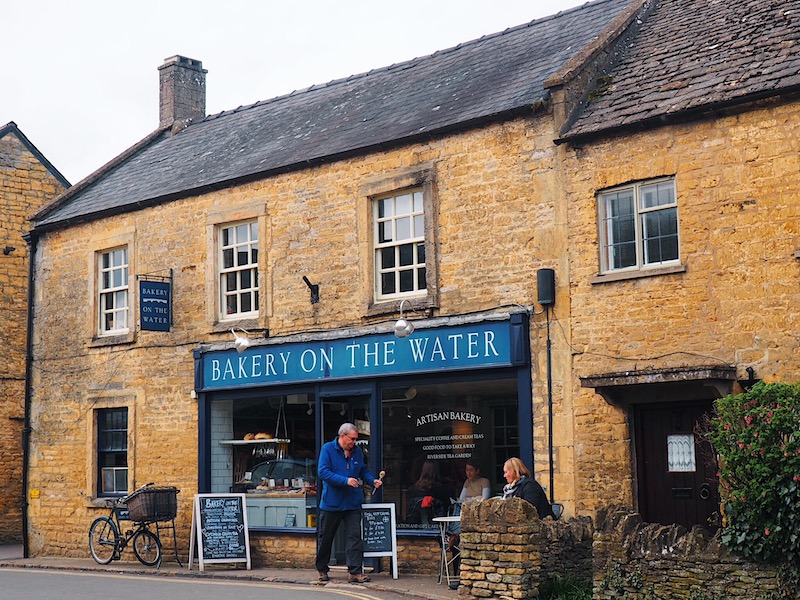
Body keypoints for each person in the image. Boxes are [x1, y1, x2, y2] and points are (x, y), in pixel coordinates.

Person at [315, 423, 383, 584]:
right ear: (342, 436)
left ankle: (355, 571)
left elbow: (362, 470)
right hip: (332, 503)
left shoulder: (357, 452)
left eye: (356, 439)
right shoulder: (328, 449)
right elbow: (322, 472)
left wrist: (372, 480)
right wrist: (345, 480)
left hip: (352, 503)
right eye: (352, 439)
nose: (354, 442)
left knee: (354, 537)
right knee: (326, 537)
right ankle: (322, 569)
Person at [406, 460, 453, 525]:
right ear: (437, 471)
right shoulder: (442, 490)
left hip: (415, 526)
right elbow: (448, 508)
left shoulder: (413, 489)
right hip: (438, 526)